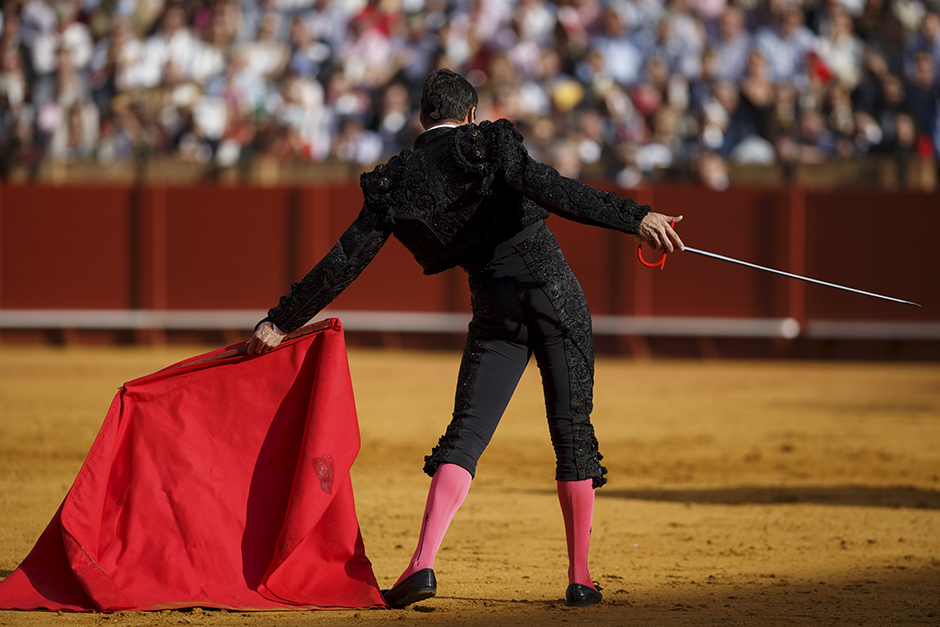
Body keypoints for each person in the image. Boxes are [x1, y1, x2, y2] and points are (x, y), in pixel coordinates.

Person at [247, 68, 684, 608]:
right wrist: (635, 217)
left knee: (467, 431)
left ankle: (422, 563)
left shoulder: (397, 179)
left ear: (422, 119)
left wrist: (282, 320)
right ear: (471, 114)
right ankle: (580, 577)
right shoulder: (488, 143)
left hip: (493, 307)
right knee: (571, 431)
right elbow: (553, 188)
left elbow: (346, 259)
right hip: (552, 294)